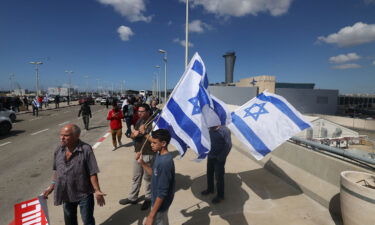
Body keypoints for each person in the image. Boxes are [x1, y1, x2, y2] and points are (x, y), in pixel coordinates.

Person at [42, 124, 106, 225]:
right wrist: (52, 186)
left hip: (84, 193)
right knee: (70, 221)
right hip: (66, 194)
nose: (62, 138)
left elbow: (92, 171)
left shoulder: (86, 149)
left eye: (66, 135)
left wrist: (97, 190)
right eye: (61, 134)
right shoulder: (59, 150)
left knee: (87, 220)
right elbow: (57, 170)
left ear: (77, 136)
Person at [119, 104, 155, 210]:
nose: (139, 113)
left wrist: (144, 132)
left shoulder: (153, 122)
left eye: (142, 111)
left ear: (148, 111)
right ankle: (133, 197)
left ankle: (148, 198)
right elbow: (134, 134)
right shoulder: (139, 121)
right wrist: (133, 135)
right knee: (136, 176)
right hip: (138, 152)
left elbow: (154, 140)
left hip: (148, 153)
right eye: (138, 111)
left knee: (148, 178)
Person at [137, 129, 175, 225]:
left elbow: (162, 192)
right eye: (151, 142)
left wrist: (151, 215)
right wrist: (142, 162)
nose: (151, 144)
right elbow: (154, 173)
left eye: (154, 142)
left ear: (163, 143)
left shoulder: (164, 163)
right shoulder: (159, 154)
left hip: (160, 206)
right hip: (156, 202)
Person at [201, 125, 232, 204]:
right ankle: (210, 189)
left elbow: (228, 145)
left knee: (219, 177)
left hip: (219, 159)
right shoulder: (209, 129)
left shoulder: (225, 130)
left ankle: (220, 196)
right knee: (209, 173)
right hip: (210, 156)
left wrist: (221, 157)